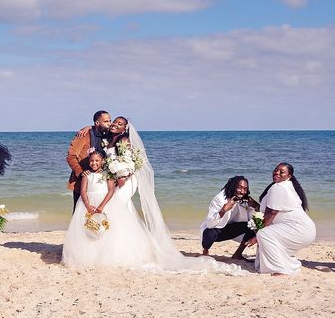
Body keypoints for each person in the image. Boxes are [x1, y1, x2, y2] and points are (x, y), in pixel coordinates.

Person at [62, 118, 246, 276]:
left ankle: (125, 249)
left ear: (125, 128)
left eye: (118, 123)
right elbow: (100, 146)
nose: (113, 124)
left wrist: (124, 175)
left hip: (125, 180)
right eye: (111, 122)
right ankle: (105, 247)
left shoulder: (124, 140)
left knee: (117, 208)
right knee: (120, 211)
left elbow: (131, 162)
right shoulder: (108, 138)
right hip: (115, 179)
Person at [245, 163, 316, 275]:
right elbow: (270, 210)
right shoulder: (286, 186)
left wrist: (256, 236)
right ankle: (287, 265)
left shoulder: (279, 187)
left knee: (264, 234)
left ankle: (280, 269)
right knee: (266, 234)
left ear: (289, 176)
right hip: (305, 229)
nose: (276, 172)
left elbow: (272, 213)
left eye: (281, 172)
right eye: (275, 170)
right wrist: (256, 206)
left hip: (298, 229)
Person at [201, 176, 259, 261]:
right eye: (239, 187)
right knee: (209, 232)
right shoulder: (219, 199)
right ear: (233, 186)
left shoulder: (244, 199)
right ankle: (205, 251)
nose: (242, 191)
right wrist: (223, 210)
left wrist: (256, 206)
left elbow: (251, 218)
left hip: (231, 228)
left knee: (252, 226)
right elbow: (210, 224)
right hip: (216, 230)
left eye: (245, 189)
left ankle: (238, 254)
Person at [66, 110, 111, 212]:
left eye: (110, 121)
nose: (109, 124)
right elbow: (71, 156)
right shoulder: (84, 135)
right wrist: (81, 173)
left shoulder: (107, 134)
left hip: (101, 183)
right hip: (82, 181)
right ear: (97, 123)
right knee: (80, 213)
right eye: (106, 121)